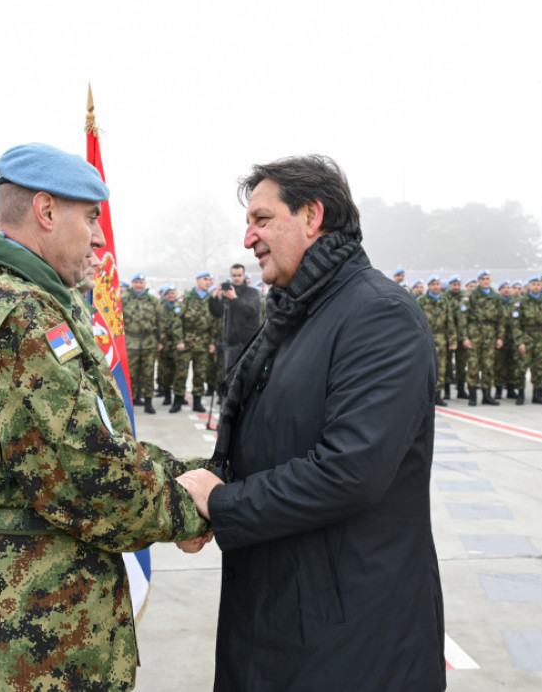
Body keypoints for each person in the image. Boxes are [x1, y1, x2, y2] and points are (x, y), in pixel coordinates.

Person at [0, 143, 210, 691]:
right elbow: (87, 477)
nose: (100, 237)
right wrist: (195, 505)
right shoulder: (22, 315)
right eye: (91, 217)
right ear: (46, 212)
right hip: (38, 608)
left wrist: (177, 471)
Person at [178, 154, 445, 692]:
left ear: (312, 216)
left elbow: (350, 470)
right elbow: (272, 444)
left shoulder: (376, 314)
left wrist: (221, 503)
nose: (247, 236)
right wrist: (198, 491)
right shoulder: (296, 315)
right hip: (282, 612)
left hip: (349, 635)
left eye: (261, 218)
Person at [173, 271, 220, 413]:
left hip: (203, 342)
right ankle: (178, 400)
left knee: (200, 374)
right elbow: (176, 320)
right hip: (186, 341)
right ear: (197, 280)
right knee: (181, 373)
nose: (208, 282)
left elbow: (214, 322)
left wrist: (212, 342)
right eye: (205, 279)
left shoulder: (211, 299)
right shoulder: (186, 298)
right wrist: (179, 340)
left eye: (210, 280)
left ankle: (197, 402)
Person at [208, 263, 261, 376]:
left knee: (248, 374)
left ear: (244, 276)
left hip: (248, 342)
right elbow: (217, 313)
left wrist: (235, 298)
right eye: (234, 275)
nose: (236, 278)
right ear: (231, 276)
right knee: (230, 375)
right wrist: (214, 297)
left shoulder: (252, 292)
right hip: (231, 343)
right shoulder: (227, 294)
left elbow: (252, 310)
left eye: (239, 275)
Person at [511, 275, 542, 405]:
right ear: (529, 286)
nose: (536, 286)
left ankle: (537, 394)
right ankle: (520, 394)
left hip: (541, 338)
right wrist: (520, 342)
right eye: (533, 284)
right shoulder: (521, 302)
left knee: (539, 368)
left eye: (538, 284)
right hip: (526, 336)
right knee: (521, 367)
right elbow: (516, 324)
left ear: (541, 286)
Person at [463, 270, 505, 406]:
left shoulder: (495, 296)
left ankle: (487, 395)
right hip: (474, 333)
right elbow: (463, 318)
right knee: (473, 365)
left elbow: (501, 318)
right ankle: (472, 395)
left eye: (487, 278)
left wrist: (500, 337)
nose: (486, 281)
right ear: (479, 281)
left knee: (488, 365)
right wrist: (465, 337)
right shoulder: (471, 295)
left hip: (490, 334)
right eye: (483, 279)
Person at [122, 272, 162, 413]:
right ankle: (131, 402)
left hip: (148, 342)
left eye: (141, 282)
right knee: (131, 373)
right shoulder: (124, 300)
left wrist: (160, 341)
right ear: (132, 284)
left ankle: (148, 403)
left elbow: (160, 321)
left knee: (148, 373)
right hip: (130, 341)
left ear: (145, 284)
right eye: (136, 282)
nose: (138, 285)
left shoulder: (153, 300)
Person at [417, 275, 456, 406]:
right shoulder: (422, 301)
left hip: (441, 338)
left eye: (437, 284)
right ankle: (425, 395)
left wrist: (452, 340)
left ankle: (438, 395)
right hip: (426, 338)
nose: (436, 286)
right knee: (426, 367)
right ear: (428, 286)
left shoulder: (445, 301)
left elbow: (450, 322)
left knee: (442, 367)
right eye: (433, 284)